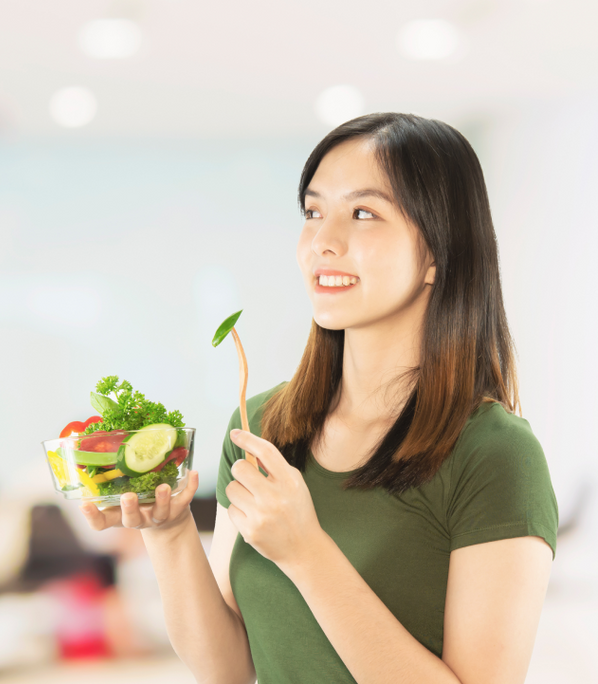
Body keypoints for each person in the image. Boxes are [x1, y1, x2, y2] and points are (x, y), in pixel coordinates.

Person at [78, 113, 558, 683]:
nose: (322, 242)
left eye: (363, 213)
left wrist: (307, 554)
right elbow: (230, 668)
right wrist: (170, 531)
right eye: (312, 212)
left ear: (436, 253)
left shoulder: (494, 454)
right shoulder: (263, 427)